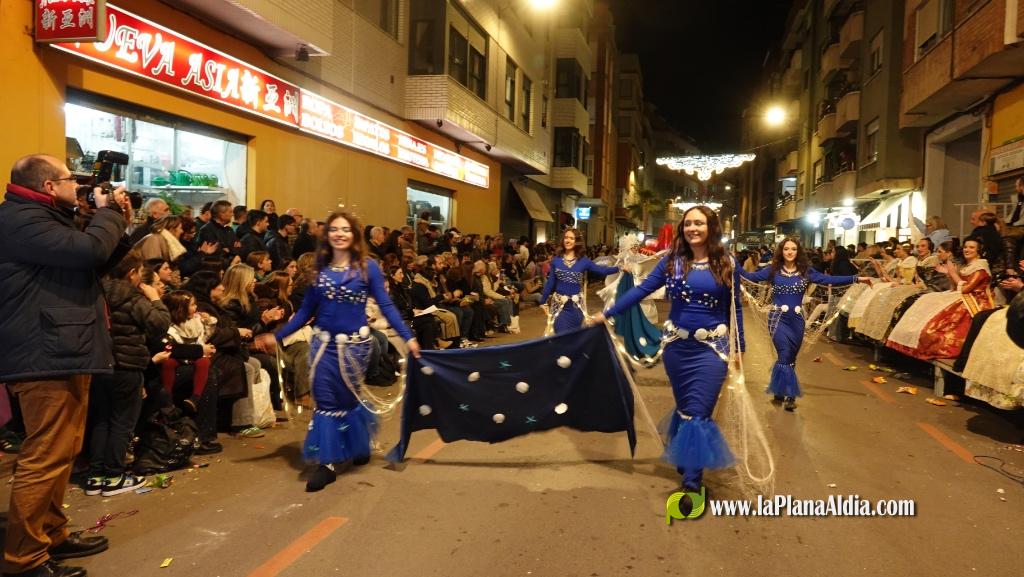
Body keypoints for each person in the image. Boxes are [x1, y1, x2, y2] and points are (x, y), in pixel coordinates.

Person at [0, 154, 128, 577]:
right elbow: (90, 249)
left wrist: (118, 223)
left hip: (63, 347)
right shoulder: (21, 220)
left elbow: (93, 262)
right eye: (72, 179)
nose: (80, 186)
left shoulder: (43, 217)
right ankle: (24, 559)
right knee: (45, 456)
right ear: (49, 186)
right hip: (43, 354)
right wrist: (106, 214)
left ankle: (50, 533)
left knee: (63, 452)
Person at [592, 206, 742, 494]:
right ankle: (689, 458)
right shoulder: (672, 262)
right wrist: (606, 314)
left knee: (699, 412)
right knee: (687, 409)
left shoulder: (726, 262)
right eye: (688, 224)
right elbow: (641, 290)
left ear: (711, 227)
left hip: (712, 350)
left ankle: (692, 484)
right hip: (676, 349)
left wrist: (740, 347)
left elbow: (734, 309)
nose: (693, 228)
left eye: (699, 223)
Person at [272, 212, 421, 492]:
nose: (340, 234)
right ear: (327, 234)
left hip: (355, 348)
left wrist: (407, 337)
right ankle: (327, 464)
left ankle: (358, 442)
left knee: (349, 398)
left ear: (354, 235)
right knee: (326, 402)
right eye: (334, 229)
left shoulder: (369, 268)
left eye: (346, 229)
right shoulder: (319, 269)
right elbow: (306, 311)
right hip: (322, 347)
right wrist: (277, 335)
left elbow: (386, 305)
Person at [739, 239, 869, 411]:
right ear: (781, 251)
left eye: (793, 249)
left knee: (791, 358)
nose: (790, 252)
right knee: (785, 354)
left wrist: (857, 278)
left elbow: (829, 279)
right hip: (777, 319)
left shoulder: (806, 272)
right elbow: (749, 277)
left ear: (798, 251)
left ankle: (779, 389)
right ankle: (790, 396)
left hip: (797, 320)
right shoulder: (773, 270)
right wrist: (731, 264)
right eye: (786, 249)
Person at [539, 228, 619, 334]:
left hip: (576, 308)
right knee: (561, 336)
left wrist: (620, 268)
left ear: (577, 242)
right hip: (559, 308)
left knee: (573, 338)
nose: (568, 240)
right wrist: (542, 301)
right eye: (566, 237)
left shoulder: (584, 261)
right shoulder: (556, 260)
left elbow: (602, 270)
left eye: (571, 238)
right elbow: (550, 282)